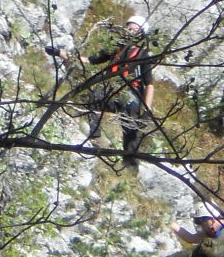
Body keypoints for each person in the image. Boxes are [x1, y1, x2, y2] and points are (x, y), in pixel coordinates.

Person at [50, 16, 155, 166]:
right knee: (91, 98)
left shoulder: (144, 55)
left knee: (131, 130)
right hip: (111, 90)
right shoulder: (115, 49)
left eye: (133, 29)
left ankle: (130, 163)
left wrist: (147, 110)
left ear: (140, 34)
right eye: (128, 28)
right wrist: (60, 53)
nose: (128, 31)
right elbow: (89, 60)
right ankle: (95, 138)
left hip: (131, 96)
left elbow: (149, 84)